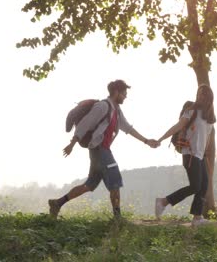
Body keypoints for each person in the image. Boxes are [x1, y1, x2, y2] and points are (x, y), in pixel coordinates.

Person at [49, 80, 158, 219]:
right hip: (101, 151)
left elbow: (127, 128)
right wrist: (72, 144)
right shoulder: (102, 106)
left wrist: (147, 141)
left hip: (99, 152)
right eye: (124, 93)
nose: (126, 97)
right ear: (116, 92)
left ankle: (57, 203)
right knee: (115, 183)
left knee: (89, 185)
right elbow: (84, 124)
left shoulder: (116, 110)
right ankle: (118, 220)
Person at [154, 84, 216, 226]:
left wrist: (205, 153)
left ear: (210, 98)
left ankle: (197, 218)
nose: (201, 97)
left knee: (204, 184)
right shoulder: (191, 111)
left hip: (200, 156)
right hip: (190, 154)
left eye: (204, 94)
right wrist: (161, 139)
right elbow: (178, 126)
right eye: (199, 94)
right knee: (195, 186)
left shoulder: (210, 117)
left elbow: (207, 137)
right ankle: (163, 201)